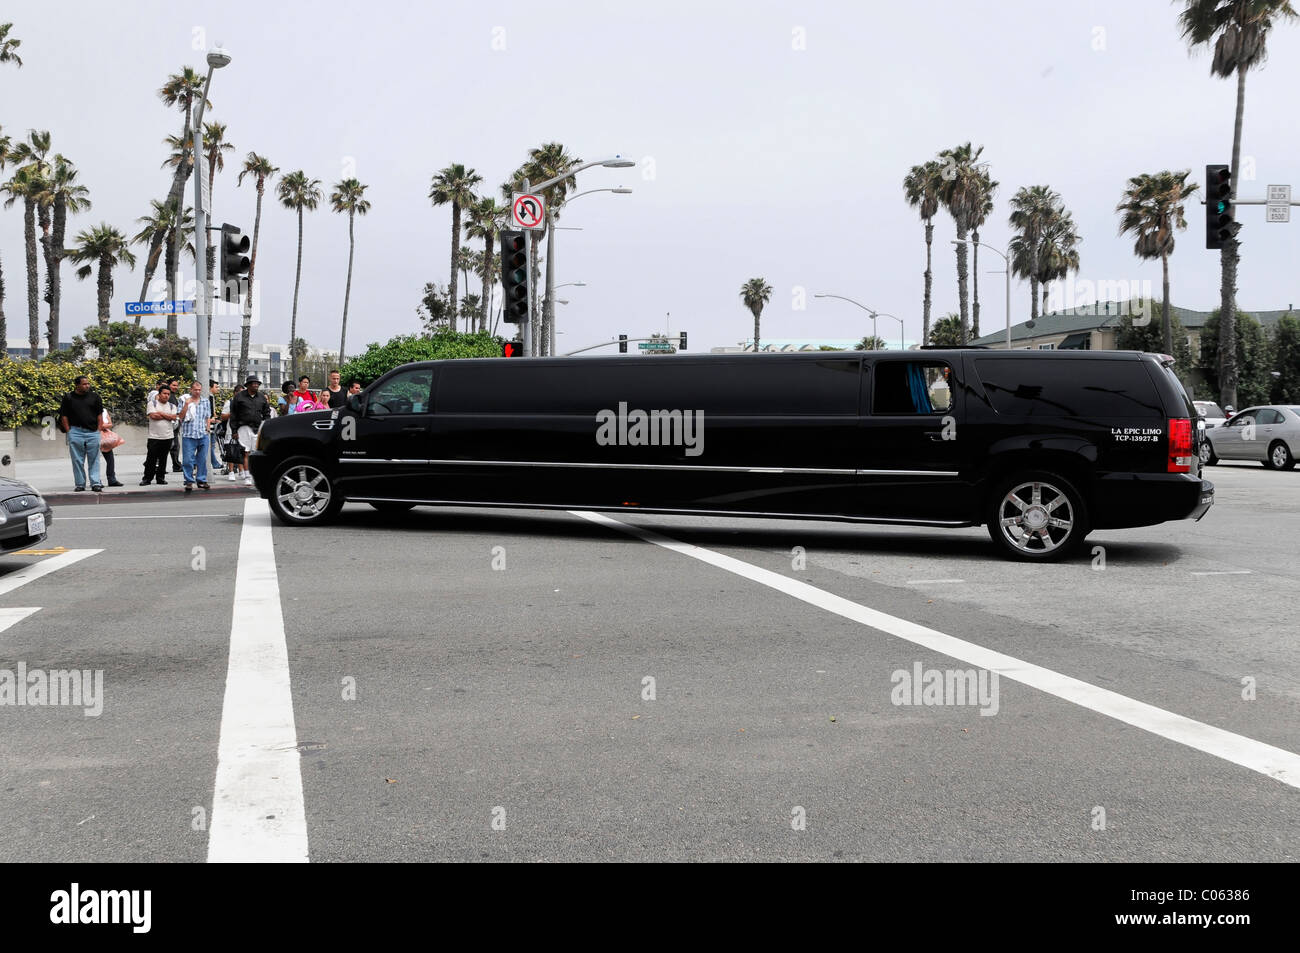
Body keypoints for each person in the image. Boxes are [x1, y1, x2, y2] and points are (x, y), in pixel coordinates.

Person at [59, 375, 105, 492]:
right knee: (77, 459)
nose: (87, 386)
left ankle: (95, 483)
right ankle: (80, 484)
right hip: (76, 431)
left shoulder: (95, 397)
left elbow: (99, 415)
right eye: (84, 384)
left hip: (93, 432)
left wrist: (99, 429)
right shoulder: (68, 398)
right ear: (77, 385)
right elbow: (64, 416)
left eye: (88, 383)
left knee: (94, 459)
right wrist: (69, 431)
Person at [230, 376, 270, 486]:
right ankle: (247, 476)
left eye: (257, 383)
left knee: (256, 453)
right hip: (243, 427)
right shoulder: (239, 397)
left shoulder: (262, 397)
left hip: (258, 428)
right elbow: (233, 415)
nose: (256, 385)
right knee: (246, 453)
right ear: (248, 385)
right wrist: (234, 431)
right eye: (253, 383)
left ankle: (256, 475)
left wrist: (266, 426)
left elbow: (267, 413)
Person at [178, 380, 215, 492]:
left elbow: (207, 416)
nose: (198, 392)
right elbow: (180, 416)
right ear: (191, 390)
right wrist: (187, 404)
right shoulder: (184, 400)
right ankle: (189, 481)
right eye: (195, 389)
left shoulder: (205, 401)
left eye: (199, 390)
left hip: (202, 434)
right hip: (189, 434)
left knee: (202, 459)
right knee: (188, 460)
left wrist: (208, 428)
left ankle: (201, 480)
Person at [142, 384, 177, 485]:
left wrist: (161, 414)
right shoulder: (152, 404)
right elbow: (153, 416)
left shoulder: (172, 406)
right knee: (151, 458)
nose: (166, 396)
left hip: (168, 436)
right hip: (154, 436)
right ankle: (147, 478)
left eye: (168, 394)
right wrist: (167, 416)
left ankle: (160, 478)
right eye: (164, 393)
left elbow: (174, 417)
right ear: (159, 394)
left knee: (163, 458)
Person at [221, 384, 245, 481]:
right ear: (235, 393)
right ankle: (231, 471)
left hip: (242, 430)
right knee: (231, 451)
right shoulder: (229, 402)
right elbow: (223, 416)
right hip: (231, 430)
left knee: (241, 450)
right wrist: (233, 413)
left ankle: (241, 470)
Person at [99, 406, 125, 487]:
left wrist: (102, 426)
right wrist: (102, 425)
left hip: (105, 438)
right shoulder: (89, 410)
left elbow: (110, 424)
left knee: (110, 459)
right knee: (94, 460)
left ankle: (112, 480)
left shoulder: (104, 410)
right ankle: (96, 481)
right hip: (93, 437)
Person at [167, 377, 184, 472]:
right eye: (173, 385)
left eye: (177, 385)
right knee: (172, 446)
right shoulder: (168, 396)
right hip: (170, 425)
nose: (176, 387)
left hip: (175, 425)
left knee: (175, 446)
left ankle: (176, 465)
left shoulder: (172, 396)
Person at [208, 380, 225, 473]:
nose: (218, 389)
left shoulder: (211, 397)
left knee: (211, 445)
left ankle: (214, 463)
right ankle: (215, 463)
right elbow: (210, 412)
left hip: (212, 422)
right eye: (216, 387)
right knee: (211, 445)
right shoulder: (209, 397)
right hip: (209, 424)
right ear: (210, 387)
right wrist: (213, 418)